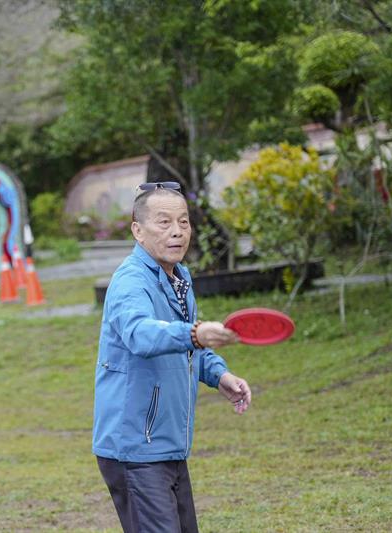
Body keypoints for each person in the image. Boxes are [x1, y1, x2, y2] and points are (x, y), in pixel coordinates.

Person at [93, 182, 251, 533]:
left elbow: (187, 343)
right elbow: (141, 334)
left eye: (183, 221)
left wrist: (219, 375)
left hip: (167, 443)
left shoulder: (178, 277)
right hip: (135, 448)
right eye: (163, 222)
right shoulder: (130, 283)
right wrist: (193, 334)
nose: (177, 232)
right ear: (138, 230)